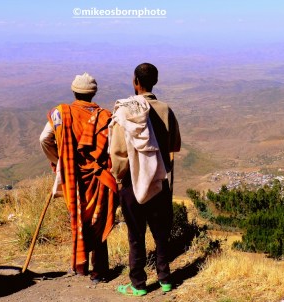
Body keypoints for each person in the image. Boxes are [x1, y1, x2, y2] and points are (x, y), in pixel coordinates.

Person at [110, 63, 181, 296]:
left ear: (135, 82)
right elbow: (174, 145)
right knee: (161, 232)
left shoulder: (125, 111)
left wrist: (120, 177)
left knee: (136, 234)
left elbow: (119, 152)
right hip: (159, 180)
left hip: (132, 182)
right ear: (155, 81)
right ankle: (165, 278)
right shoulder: (165, 109)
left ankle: (138, 284)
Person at [39, 72, 117, 284]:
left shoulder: (60, 114)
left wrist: (61, 160)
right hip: (99, 178)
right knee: (98, 221)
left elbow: (44, 138)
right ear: (93, 94)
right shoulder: (106, 116)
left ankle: (80, 265)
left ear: (74, 92)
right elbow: (112, 149)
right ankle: (99, 271)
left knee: (79, 219)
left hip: (73, 178)